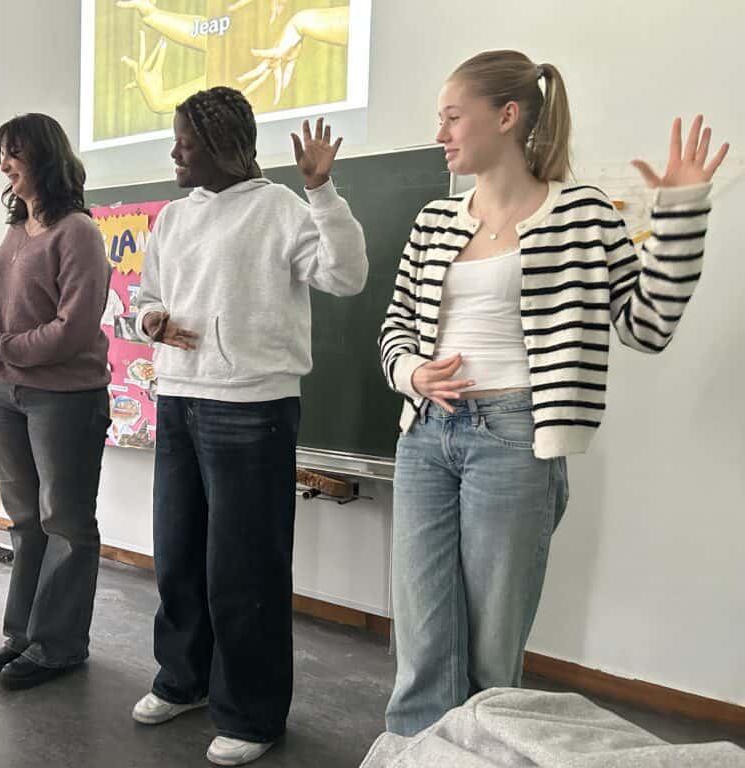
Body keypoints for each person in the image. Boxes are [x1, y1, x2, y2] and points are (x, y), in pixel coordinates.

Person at [378, 49, 729, 736]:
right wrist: (412, 373)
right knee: (420, 641)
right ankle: (416, 751)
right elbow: (396, 325)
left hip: (515, 439)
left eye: (453, 117)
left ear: (507, 115)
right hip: (425, 433)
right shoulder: (433, 220)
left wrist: (682, 214)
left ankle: (485, 749)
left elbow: (648, 325)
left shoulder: (581, 214)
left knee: (491, 646)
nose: (440, 133)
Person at [130, 86, 368, 766]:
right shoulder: (174, 218)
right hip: (178, 398)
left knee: (245, 568)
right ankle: (183, 680)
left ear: (223, 146)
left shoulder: (280, 208)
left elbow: (347, 275)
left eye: (186, 143)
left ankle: (252, 714)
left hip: (252, 408)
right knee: (178, 553)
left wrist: (322, 192)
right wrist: (150, 322)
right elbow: (147, 299)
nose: (175, 153)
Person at [0, 113, 112, 690]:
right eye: (1, 153)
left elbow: (71, 330)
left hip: (63, 397)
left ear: (44, 159)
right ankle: (22, 635)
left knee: (65, 523)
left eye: (14, 153)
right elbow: (9, 292)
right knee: (26, 521)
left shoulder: (77, 232)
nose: (4, 165)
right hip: (2, 390)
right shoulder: (17, 228)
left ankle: (59, 646)